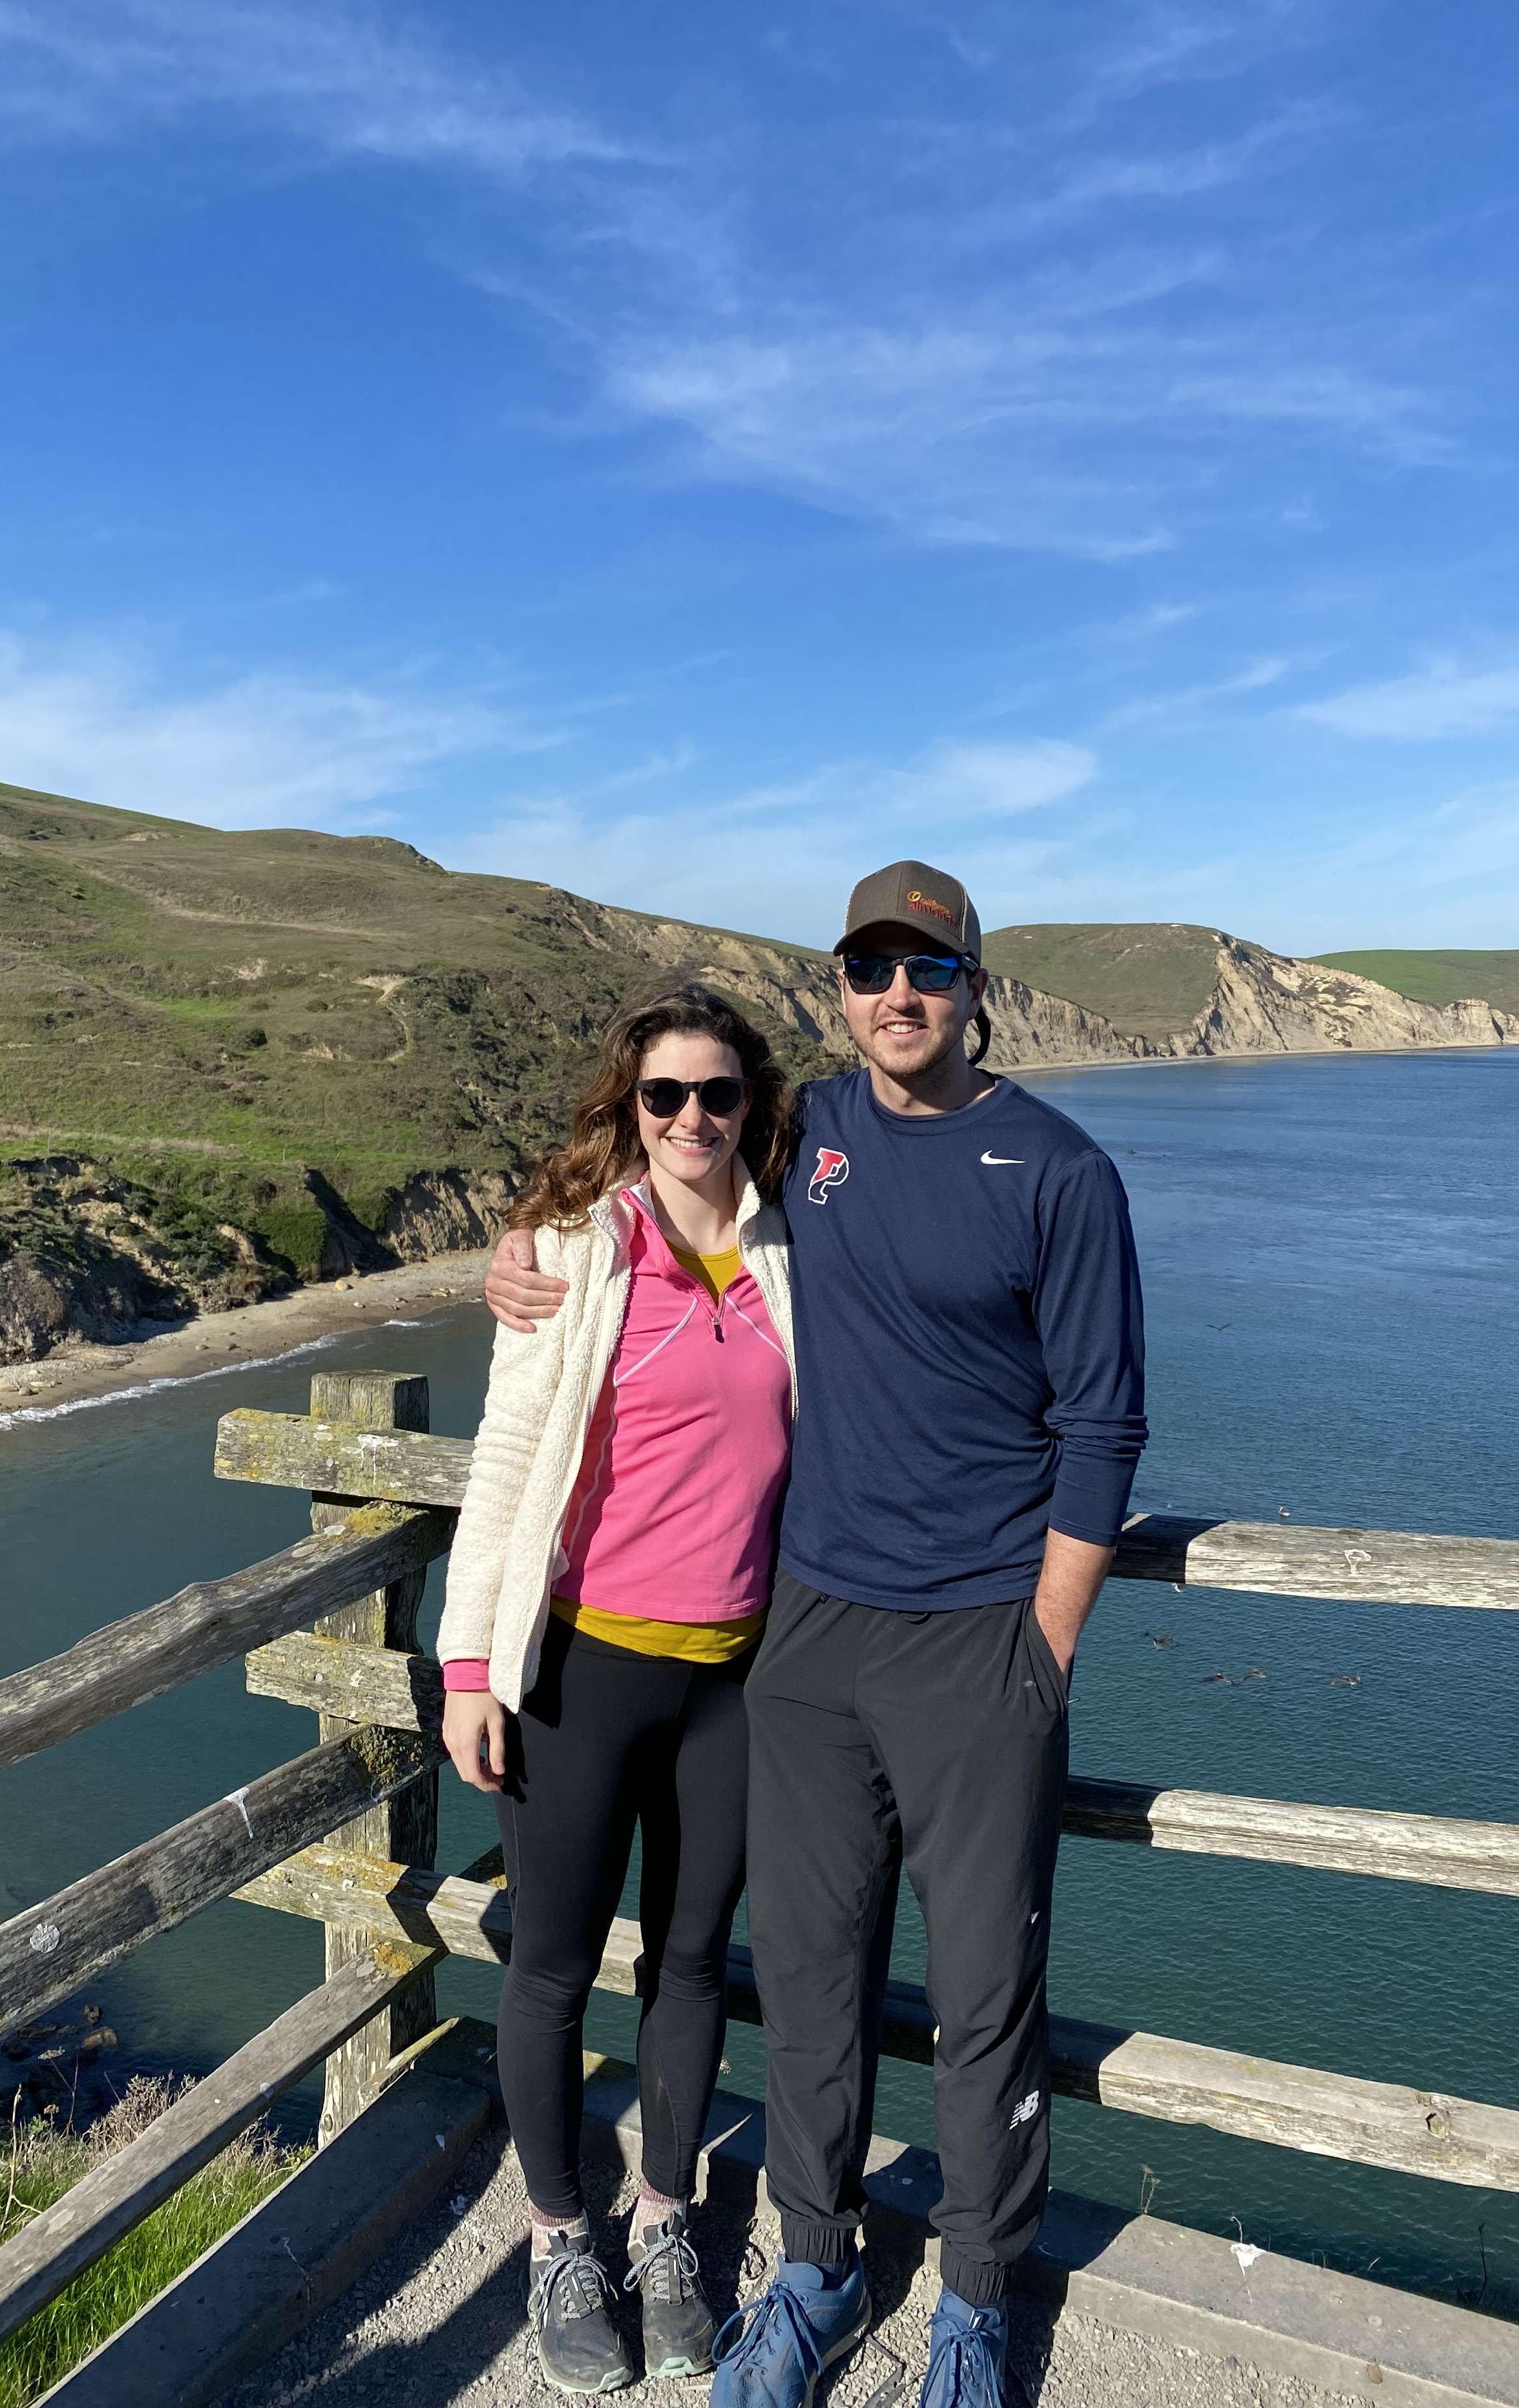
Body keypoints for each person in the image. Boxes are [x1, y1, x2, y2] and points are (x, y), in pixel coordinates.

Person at [487, 860, 1148, 2408]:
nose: (898, 995)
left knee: (985, 1992)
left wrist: (1044, 1648)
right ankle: (815, 2269)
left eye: (928, 970)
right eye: (869, 970)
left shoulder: (1058, 1169)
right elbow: (652, 1162)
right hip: (806, 1640)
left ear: (977, 986)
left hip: (982, 1637)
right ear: (840, 992)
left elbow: (1105, 1427)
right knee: (810, 1974)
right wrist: (514, 1250)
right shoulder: (808, 1135)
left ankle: (978, 2303)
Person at [439, 984, 800, 2395]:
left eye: (719, 1094)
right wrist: (471, 1665)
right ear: (629, 1109)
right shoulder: (579, 1257)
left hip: (738, 1680)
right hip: (583, 1671)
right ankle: (557, 2236)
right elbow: (503, 1459)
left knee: (695, 1962)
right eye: (666, 1097)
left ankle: (663, 2222)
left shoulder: (792, 1249)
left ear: (753, 1104)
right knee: (549, 1962)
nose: (694, 1119)